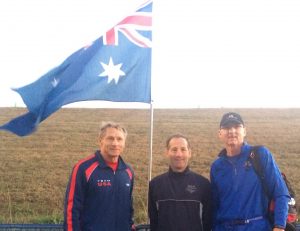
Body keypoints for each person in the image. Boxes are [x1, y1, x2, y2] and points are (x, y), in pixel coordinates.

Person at [210, 112, 290, 231]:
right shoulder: (217, 167)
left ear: (244, 131)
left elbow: (281, 193)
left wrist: (279, 226)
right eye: (226, 127)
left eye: (237, 126)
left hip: (257, 226)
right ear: (220, 134)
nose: (232, 131)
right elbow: (215, 205)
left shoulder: (259, 155)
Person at [64, 122, 135, 231]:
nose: (115, 143)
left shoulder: (128, 171)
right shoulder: (83, 168)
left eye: (119, 139)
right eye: (110, 138)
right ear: (100, 140)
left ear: (124, 143)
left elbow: (129, 206)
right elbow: (72, 208)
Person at [148, 134, 213, 231]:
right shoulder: (155, 185)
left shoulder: (203, 185)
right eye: (174, 149)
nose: (179, 154)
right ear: (167, 152)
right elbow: (154, 222)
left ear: (189, 153)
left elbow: (208, 222)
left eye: (183, 149)